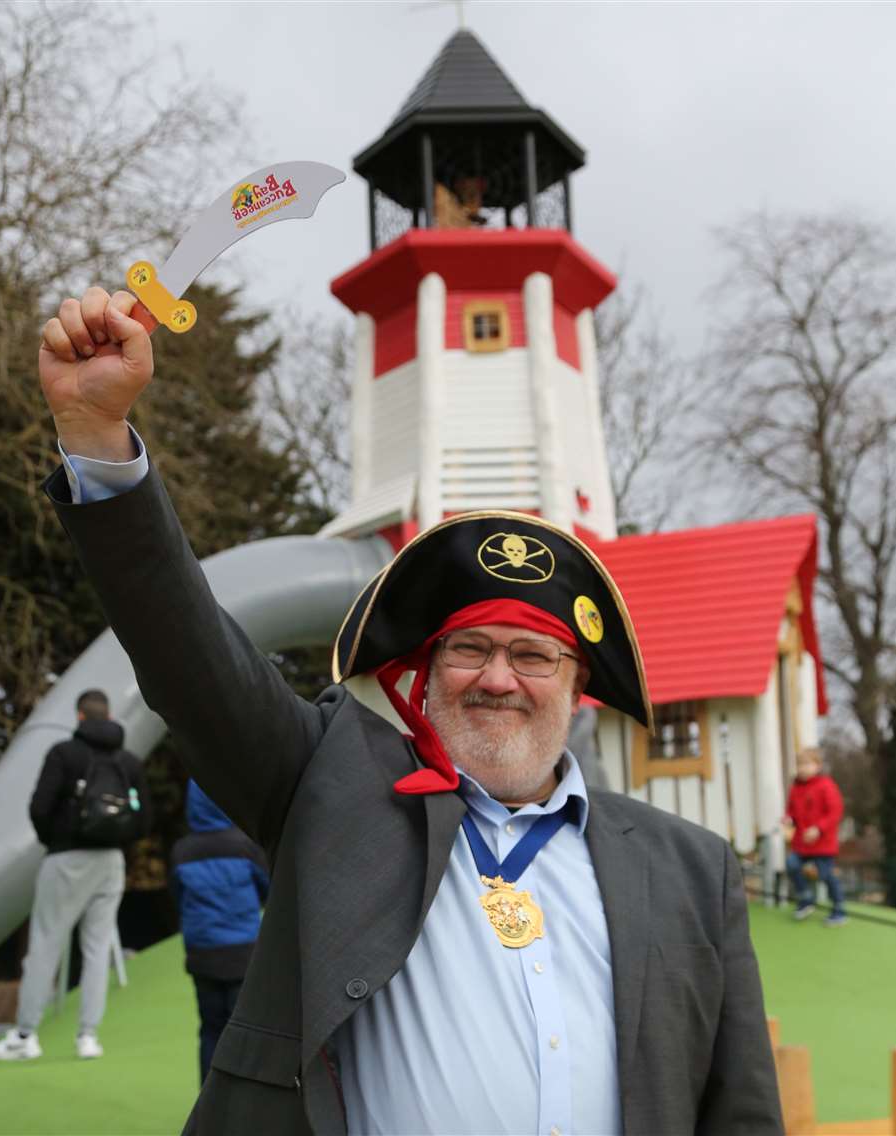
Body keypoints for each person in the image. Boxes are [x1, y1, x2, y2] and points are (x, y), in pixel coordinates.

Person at [38, 287, 782, 1134]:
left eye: (534, 655)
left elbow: (742, 1111)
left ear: (578, 688)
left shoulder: (693, 867)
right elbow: (187, 655)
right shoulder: (330, 785)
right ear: (419, 677)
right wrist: (99, 442)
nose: (498, 678)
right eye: (468, 649)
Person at [0, 688, 152, 1061]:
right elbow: (144, 819)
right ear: (107, 716)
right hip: (111, 862)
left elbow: (39, 807)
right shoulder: (128, 761)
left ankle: (26, 1035)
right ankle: (87, 1037)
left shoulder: (64, 754)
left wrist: (57, 840)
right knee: (96, 951)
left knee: (45, 944)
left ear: (79, 717)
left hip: (66, 859)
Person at [171, 780, 270, 1084]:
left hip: (203, 953)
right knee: (245, 1031)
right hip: (243, 953)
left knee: (210, 1029)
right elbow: (265, 890)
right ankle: (243, 1102)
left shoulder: (182, 851)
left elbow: (177, 896)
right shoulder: (245, 845)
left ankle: (209, 1100)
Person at [783, 747, 847, 926]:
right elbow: (792, 811)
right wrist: (788, 819)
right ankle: (806, 899)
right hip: (802, 843)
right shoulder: (796, 788)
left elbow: (835, 812)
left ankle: (839, 908)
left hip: (822, 843)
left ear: (817, 766)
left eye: (807, 764)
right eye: (799, 764)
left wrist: (818, 829)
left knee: (825, 875)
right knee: (792, 864)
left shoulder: (825, 785)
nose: (802, 768)